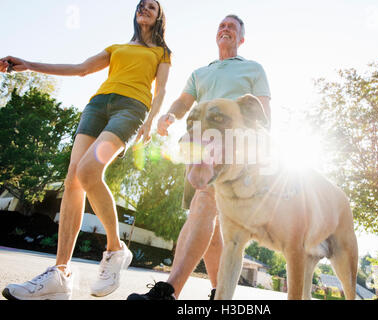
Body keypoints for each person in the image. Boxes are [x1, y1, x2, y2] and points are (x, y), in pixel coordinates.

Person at [0, 0, 171, 300]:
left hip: (130, 109)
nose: (144, 8)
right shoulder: (116, 47)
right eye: (141, 4)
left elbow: (162, 90)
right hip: (97, 105)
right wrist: (29, 64)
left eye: (152, 6)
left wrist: (152, 119)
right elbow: (80, 69)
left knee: (89, 170)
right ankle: (60, 273)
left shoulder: (162, 52)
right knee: (72, 181)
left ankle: (116, 248)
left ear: (159, 17)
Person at [127, 14, 271, 300]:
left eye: (232, 26)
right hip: (200, 145)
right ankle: (220, 295)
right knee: (204, 220)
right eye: (221, 25)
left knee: (203, 204)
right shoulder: (200, 73)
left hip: (232, 145)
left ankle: (169, 291)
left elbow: (264, 115)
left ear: (241, 39)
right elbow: (183, 101)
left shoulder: (253, 69)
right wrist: (170, 115)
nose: (225, 28)